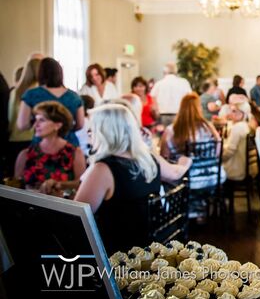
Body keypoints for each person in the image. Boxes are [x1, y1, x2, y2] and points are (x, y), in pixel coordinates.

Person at [74, 104, 191, 252]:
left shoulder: (103, 170)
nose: (88, 134)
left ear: (105, 132)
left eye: (91, 130)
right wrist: (185, 162)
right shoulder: (148, 159)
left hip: (116, 251)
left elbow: (77, 217)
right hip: (147, 245)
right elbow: (175, 173)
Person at [14, 101, 86, 195]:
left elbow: (82, 184)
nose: (35, 125)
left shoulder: (75, 153)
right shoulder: (25, 154)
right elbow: (15, 187)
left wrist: (60, 185)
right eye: (36, 120)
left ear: (58, 125)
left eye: (42, 120)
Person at [17, 58, 84, 146]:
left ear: (40, 73)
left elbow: (22, 125)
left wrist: (40, 123)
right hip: (69, 144)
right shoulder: (74, 96)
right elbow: (80, 124)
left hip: (42, 143)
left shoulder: (31, 95)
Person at [160, 93, 220, 162]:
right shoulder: (209, 127)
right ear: (199, 109)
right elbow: (218, 151)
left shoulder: (170, 131)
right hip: (211, 171)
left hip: (183, 171)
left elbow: (164, 158)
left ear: (181, 108)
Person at [7, 57, 41, 169]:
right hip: (31, 138)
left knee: (15, 179)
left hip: (13, 139)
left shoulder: (14, 91)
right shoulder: (37, 91)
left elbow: (10, 117)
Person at [150, 62, 192, 126]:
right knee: (179, 135)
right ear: (176, 72)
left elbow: (152, 98)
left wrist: (156, 112)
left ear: (164, 72)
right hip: (179, 115)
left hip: (162, 115)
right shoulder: (184, 82)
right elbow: (189, 98)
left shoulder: (159, 84)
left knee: (164, 135)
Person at [221, 101, 252, 181]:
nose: (231, 113)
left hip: (235, 169)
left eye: (234, 111)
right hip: (242, 166)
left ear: (243, 113)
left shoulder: (237, 128)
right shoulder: (245, 125)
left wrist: (218, 160)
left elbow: (229, 151)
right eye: (231, 110)